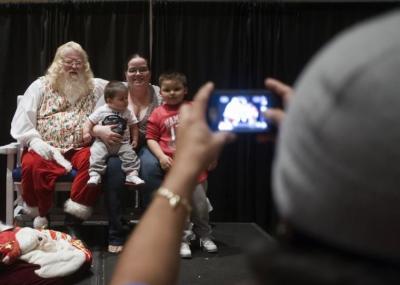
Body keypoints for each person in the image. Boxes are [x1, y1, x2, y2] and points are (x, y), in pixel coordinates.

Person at [111, 9, 400, 285]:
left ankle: (202, 233)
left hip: (192, 175)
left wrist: (183, 173)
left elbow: (136, 279)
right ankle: (187, 238)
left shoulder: (171, 104)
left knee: (200, 208)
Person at [10, 41, 108, 234]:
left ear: (85, 65)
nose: (74, 66)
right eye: (68, 62)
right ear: (57, 63)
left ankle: (74, 219)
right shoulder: (40, 86)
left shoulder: (95, 87)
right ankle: (42, 216)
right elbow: (23, 119)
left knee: (97, 160)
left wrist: (98, 129)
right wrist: (35, 141)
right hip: (48, 147)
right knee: (31, 165)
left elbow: (123, 92)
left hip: (81, 147)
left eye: (78, 62)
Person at [92, 54, 162, 253]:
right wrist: (99, 131)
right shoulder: (114, 91)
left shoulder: (159, 93)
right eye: (133, 70)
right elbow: (92, 122)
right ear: (126, 73)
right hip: (118, 145)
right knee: (114, 171)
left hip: (150, 144)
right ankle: (117, 233)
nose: (138, 74)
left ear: (149, 72)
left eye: (143, 69)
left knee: (150, 170)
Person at [146, 72, 217, 258]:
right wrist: (161, 156)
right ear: (160, 92)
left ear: (185, 90)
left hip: (196, 168)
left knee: (200, 206)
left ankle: (205, 236)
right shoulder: (158, 113)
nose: (172, 93)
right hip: (174, 170)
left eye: (176, 89)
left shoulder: (194, 108)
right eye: (167, 90)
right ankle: (183, 240)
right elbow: (151, 138)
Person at [83, 81, 144, 186]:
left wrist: (135, 140)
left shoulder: (128, 112)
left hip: (122, 143)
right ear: (109, 100)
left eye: (126, 98)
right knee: (96, 153)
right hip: (103, 142)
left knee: (130, 155)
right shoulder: (101, 110)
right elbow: (89, 122)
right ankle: (95, 174)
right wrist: (86, 133)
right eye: (121, 99)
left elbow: (134, 126)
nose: (125, 101)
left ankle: (132, 174)